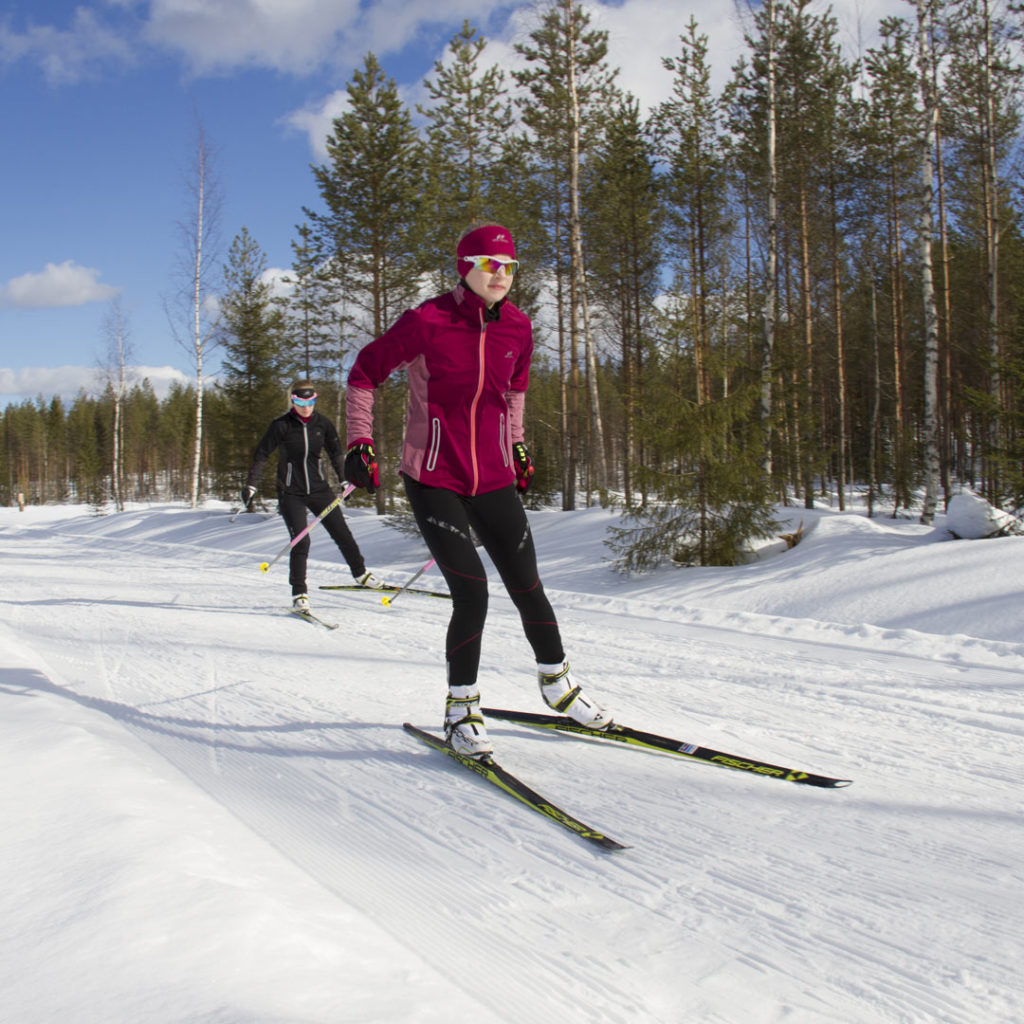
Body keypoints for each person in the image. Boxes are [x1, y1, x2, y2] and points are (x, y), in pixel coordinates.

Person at [343, 223, 612, 758]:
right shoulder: (428, 320)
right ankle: (461, 710)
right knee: (473, 594)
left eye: (510, 267)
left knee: (527, 584)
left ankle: (557, 686)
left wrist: (515, 445)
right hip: (434, 476)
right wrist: (359, 439)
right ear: (466, 266)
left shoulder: (517, 326)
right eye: (492, 265)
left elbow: (514, 394)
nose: (502, 275)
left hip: (493, 477)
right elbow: (364, 373)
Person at [243, 380, 384, 611]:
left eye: (310, 401)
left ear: (315, 400)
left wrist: (344, 479)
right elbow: (262, 455)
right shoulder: (281, 425)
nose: (306, 406)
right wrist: (251, 485)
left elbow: (337, 453)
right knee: (301, 540)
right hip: (291, 493)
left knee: (342, 533)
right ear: (293, 401)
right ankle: (299, 593)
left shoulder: (322, 424)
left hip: (320, 490)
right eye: (300, 401)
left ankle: (361, 574)